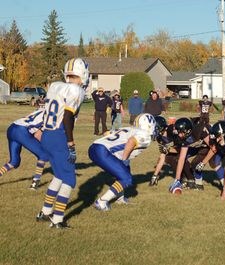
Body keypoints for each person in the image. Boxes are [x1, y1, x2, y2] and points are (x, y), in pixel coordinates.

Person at [36, 57, 89, 229]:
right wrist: (71, 142)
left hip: (47, 135)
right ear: (83, 73)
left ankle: (45, 211)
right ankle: (57, 219)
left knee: (59, 175)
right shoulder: (76, 90)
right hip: (59, 136)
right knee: (69, 179)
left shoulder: (55, 86)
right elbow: (67, 117)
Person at [90, 113, 156, 211]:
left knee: (124, 172)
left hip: (94, 147)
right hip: (103, 151)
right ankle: (101, 202)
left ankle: (120, 198)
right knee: (126, 179)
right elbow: (131, 142)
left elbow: (106, 133)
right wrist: (124, 159)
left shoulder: (129, 129)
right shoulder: (145, 135)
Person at [0, 108, 49, 190]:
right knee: (44, 155)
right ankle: (35, 183)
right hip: (21, 131)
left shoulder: (42, 109)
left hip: (12, 127)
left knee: (14, 162)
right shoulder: (51, 116)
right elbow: (37, 135)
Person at [150, 117, 195, 193]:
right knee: (168, 158)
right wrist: (155, 175)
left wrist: (169, 150)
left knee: (179, 159)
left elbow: (181, 152)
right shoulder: (160, 138)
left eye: (156, 129)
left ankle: (190, 179)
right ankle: (182, 177)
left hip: (191, 147)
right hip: (180, 148)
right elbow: (162, 157)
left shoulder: (174, 131)